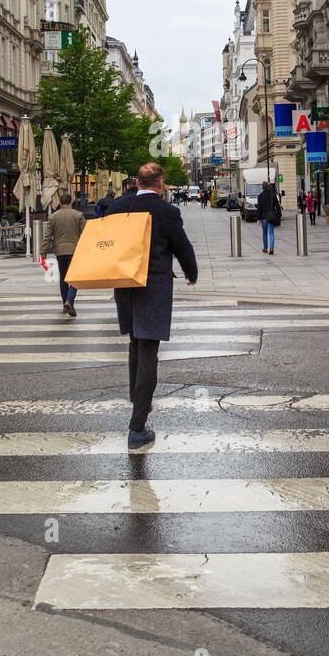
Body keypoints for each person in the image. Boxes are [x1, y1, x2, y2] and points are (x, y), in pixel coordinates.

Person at [105, 162, 197, 448]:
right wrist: (191, 273)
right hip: (153, 287)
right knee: (148, 350)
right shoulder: (167, 212)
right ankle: (137, 426)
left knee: (135, 342)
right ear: (160, 183)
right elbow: (182, 247)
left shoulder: (117, 207)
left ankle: (138, 398)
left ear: (136, 181)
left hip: (124, 285)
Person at [43, 192, 86, 317]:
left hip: (60, 252)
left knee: (63, 278)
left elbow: (47, 236)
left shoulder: (53, 216)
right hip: (74, 251)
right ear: (71, 202)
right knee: (75, 278)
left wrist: (43, 252)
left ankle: (64, 303)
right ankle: (69, 301)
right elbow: (85, 233)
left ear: (60, 203)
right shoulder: (78, 215)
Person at [257, 181, 281, 254]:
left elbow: (259, 208)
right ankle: (271, 247)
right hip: (271, 216)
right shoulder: (272, 194)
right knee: (271, 233)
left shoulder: (260, 196)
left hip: (263, 217)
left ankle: (265, 248)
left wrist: (258, 218)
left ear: (262, 187)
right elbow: (277, 205)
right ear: (268, 187)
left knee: (264, 233)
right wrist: (279, 214)